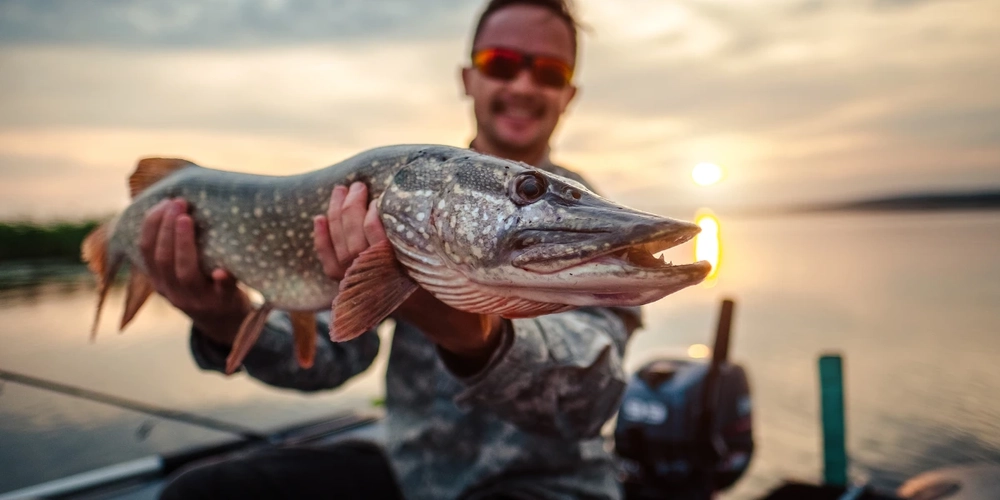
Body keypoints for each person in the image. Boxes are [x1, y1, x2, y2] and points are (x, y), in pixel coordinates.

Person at [152, 0, 642, 498]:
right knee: (201, 491)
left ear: (569, 94)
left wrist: (477, 340)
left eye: (549, 72)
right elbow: (329, 357)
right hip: (414, 475)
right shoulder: (405, 194)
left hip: (547, 484)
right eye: (501, 64)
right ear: (469, 78)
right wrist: (226, 318)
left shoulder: (589, 230)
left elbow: (588, 399)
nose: (521, 86)